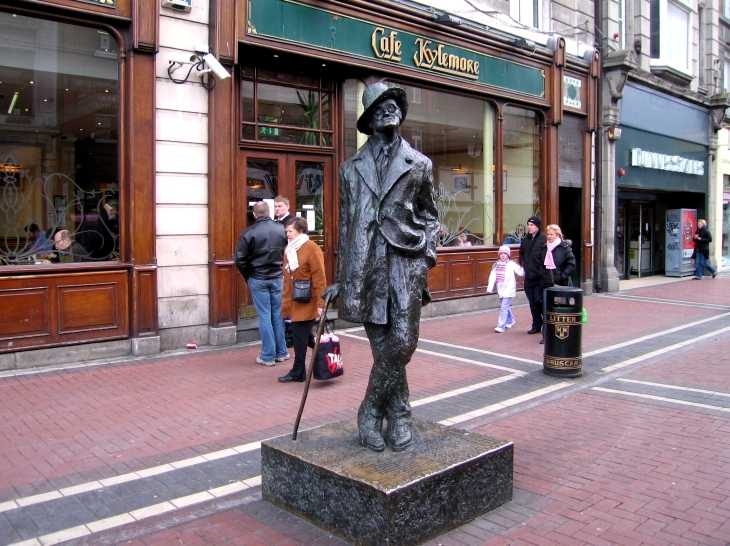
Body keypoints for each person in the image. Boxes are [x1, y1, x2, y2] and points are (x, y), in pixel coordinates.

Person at [324, 80, 439, 452]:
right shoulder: (349, 168)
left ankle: (370, 411)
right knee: (381, 348)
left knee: (403, 342)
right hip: (366, 266)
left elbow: (432, 217)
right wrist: (343, 278)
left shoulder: (420, 164)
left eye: (393, 103)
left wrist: (427, 257)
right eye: (379, 106)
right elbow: (345, 225)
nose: (388, 109)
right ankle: (400, 415)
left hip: (406, 263)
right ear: (369, 119)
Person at [235, 201, 289, 367]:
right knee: (276, 314)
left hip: (258, 278)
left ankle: (268, 355)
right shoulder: (281, 229)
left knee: (265, 316)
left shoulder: (249, 232)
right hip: (277, 277)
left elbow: (240, 259)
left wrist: (248, 276)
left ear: (254, 214)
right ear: (269, 212)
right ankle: (282, 352)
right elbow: (287, 250)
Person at [278, 217, 327, 383]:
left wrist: (321, 303)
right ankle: (327, 354)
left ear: (300, 231)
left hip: (308, 301)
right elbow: (287, 279)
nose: (287, 234)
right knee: (306, 338)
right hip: (294, 300)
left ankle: (298, 371)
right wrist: (285, 303)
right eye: (287, 231)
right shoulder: (289, 249)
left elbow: (319, 277)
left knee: (299, 337)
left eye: (290, 231)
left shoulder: (312, 248)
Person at [519, 216, 547, 336]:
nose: (529, 227)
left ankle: (546, 324)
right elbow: (521, 254)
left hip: (540, 277)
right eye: (529, 225)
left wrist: (541, 271)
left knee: (539, 301)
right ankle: (536, 324)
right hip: (529, 277)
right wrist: (523, 267)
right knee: (532, 302)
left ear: (537, 226)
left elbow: (546, 258)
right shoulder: (525, 239)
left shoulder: (543, 239)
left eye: (532, 225)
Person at [487, 245, 524, 333]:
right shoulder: (496, 265)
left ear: (508, 255)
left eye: (505, 254)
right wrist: (490, 287)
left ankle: (501, 326)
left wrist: (526, 267)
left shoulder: (511, 264)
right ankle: (511, 320)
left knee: (503, 307)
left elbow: (520, 272)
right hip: (500, 290)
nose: (503, 255)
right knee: (505, 306)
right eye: (501, 254)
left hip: (509, 289)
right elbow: (492, 277)